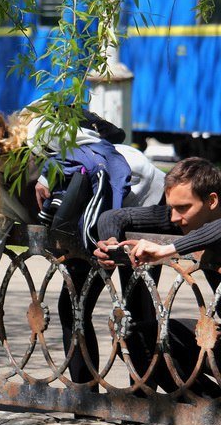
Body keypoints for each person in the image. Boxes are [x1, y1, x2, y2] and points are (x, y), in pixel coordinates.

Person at [0, 106, 133, 381]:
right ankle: (86, 398)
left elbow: (95, 149)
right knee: (74, 309)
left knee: (133, 311)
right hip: (90, 234)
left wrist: (48, 174)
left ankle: (139, 397)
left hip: (136, 202)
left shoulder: (37, 135)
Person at [94, 157, 221, 396]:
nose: (174, 217)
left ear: (212, 201)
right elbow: (113, 216)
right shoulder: (185, 220)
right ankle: (208, 404)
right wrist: (110, 243)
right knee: (135, 338)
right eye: (172, 207)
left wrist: (167, 249)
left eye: (183, 207)